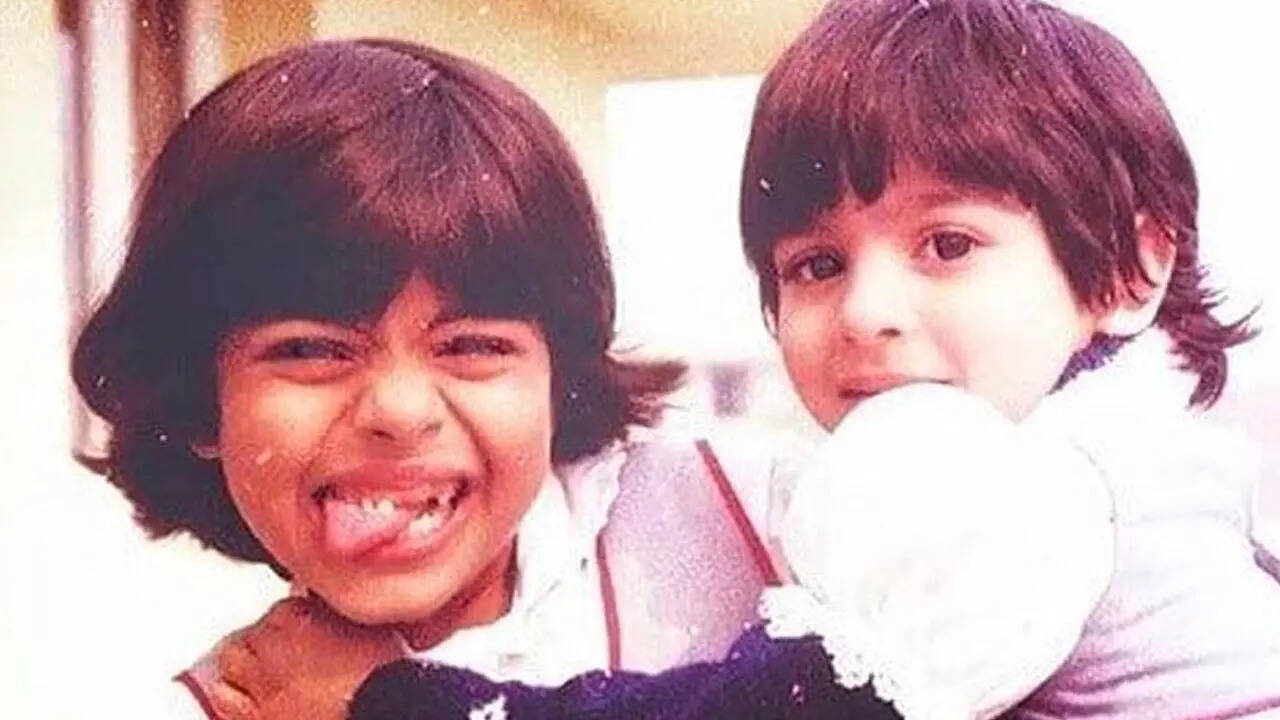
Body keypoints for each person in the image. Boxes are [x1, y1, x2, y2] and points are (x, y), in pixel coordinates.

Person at [254, 0, 1280, 717]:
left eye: (947, 245)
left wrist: (394, 703)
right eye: (816, 264)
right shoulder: (1145, 434)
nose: (865, 312)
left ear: (1133, 266)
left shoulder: (1012, 484)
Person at [70, 39, 800, 719]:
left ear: (557, 378)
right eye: (312, 350)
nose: (400, 410)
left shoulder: (766, 521)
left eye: (472, 345)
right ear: (198, 401)